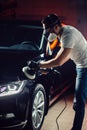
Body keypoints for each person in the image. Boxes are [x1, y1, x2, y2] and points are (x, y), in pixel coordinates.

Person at [27, 14, 87, 130]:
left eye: (47, 30)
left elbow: (59, 61)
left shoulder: (68, 35)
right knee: (78, 99)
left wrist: (38, 65)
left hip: (85, 66)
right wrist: (48, 66)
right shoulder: (63, 32)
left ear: (55, 27)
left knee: (79, 102)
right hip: (81, 65)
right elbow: (66, 54)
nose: (46, 33)